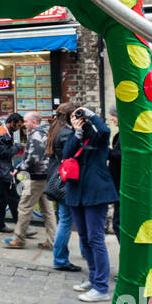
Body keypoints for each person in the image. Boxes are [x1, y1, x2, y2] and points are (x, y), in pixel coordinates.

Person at [64, 106, 118, 299]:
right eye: (72, 117)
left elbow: (104, 131)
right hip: (76, 192)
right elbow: (66, 154)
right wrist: (77, 132)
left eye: (79, 116)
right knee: (84, 238)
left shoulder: (99, 136)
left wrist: (91, 115)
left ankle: (102, 287)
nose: (76, 119)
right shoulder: (76, 136)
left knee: (96, 239)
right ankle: (94, 278)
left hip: (95, 193)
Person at [6, 111, 57, 250]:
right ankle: (52, 242)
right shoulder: (48, 131)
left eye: (26, 121)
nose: (24, 124)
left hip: (35, 176)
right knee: (48, 210)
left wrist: (20, 169)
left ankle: (19, 239)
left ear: (34, 122)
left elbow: (34, 158)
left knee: (24, 207)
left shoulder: (36, 134)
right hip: (46, 175)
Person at [45, 103, 83, 273]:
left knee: (66, 218)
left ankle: (68, 256)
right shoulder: (67, 134)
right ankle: (60, 259)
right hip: (65, 181)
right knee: (66, 220)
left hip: (58, 178)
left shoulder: (56, 130)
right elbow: (72, 157)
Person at [0, 113, 22, 233]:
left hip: (1, 169)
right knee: (13, 197)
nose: (18, 128)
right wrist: (18, 147)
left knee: (3, 198)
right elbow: (4, 153)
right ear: (12, 122)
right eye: (17, 125)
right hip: (3, 170)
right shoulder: (3, 134)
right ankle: (22, 227)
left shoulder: (5, 131)